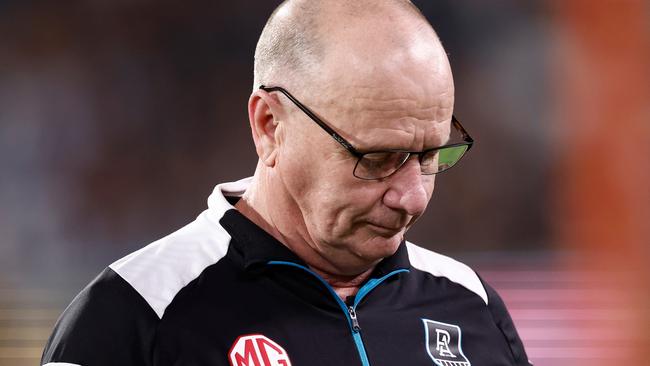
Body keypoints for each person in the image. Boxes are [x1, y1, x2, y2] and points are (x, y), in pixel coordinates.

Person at [41, 1, 531, 365]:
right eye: (378, 158)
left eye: (430, 155)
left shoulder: (472, 306)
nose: (412, 196)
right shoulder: (134, 314)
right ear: (270, 125)